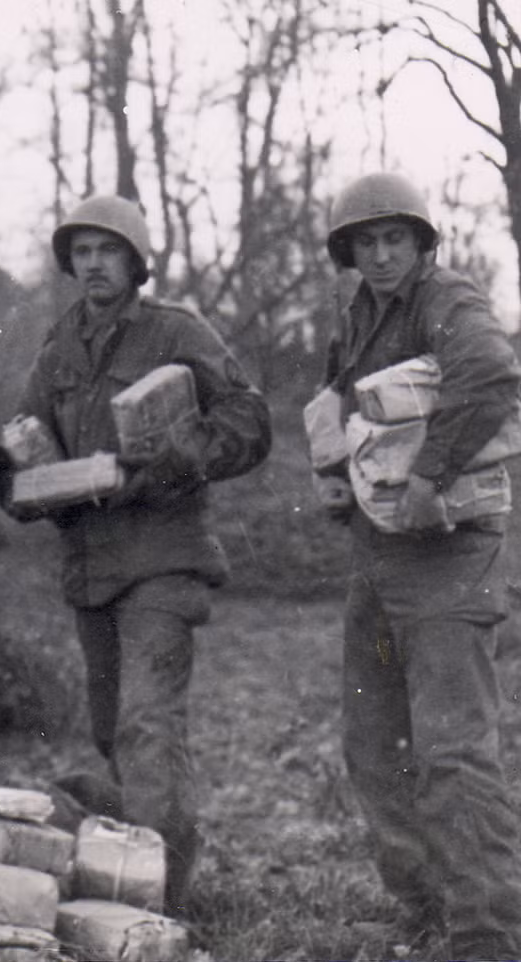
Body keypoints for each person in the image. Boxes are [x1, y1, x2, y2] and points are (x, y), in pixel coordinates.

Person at [5, 195, 271, 914]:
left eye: (108, 251)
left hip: (162, 558)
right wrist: (26, 484)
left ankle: (161, 905)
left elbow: (249, 419)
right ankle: (134, 870)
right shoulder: (59, 349)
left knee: (147, 726)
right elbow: (22, 444)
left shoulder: (175, 331)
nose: (94, 264)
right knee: (112, 731)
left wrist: (182, 454)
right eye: (82, 253)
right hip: (91, 569)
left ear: (135, 261)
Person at [316, 171, 521, 960]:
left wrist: (432, 474)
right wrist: (336, 475)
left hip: (448, 557)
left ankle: (487, 933)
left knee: (453, 753)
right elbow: (342, 406)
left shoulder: (448, 301)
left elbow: (492, 374)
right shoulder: (358, 317)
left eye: (394, 238)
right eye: (365, 242)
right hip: (380, 557)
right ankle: (427, 908)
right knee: (374, 743)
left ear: (420, 241)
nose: (380, 255)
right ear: (349, 253)